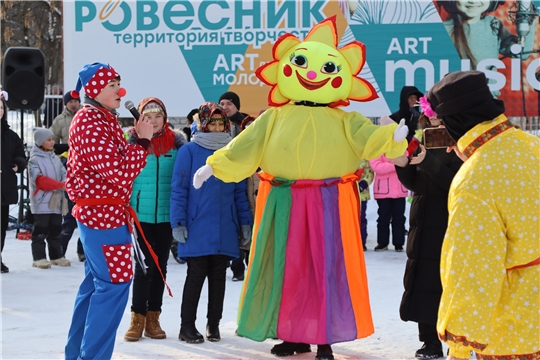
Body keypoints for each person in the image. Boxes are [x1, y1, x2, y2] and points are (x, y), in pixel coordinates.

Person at [192, 17, 409, 360]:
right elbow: (246, 145)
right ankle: (293, 334)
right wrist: (214, 165)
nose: (311, 74)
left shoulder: (345, 119)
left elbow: (370, 140)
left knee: (323, 268)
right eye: (303, 64)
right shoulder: (274, 116)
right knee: (287, 269)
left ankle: (324, 336)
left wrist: (392, 138)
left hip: (329, 201)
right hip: (281, 199)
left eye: (324, 68)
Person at [426, 70, 539, 360]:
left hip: (520, 329)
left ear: (453, 123)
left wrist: (460, 344)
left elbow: (472, 267)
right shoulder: (534, 147)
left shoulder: (475, 179)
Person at [64, 62, 154, 360]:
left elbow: (112, 164)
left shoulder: (102, 118)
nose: (120, 91)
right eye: (112, 86)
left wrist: (132, 138)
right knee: (114, 286)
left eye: (118, 84)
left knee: (95, 287)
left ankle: (77, 353)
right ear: (94, 90)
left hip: (106, 217)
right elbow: (118, 173)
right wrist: (141, 141)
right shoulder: (90, 121)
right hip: (103, 219)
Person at [171, 101, 252, 344]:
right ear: (203, 124)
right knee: (196, 274)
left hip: (225, 224)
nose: (217, 128)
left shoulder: (232, 151)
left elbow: (239, 191)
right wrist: (178, 222)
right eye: (212, 123)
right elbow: (179, 189)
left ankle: (213, 324)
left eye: (221, 123)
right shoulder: (189, 151)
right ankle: (187, 326)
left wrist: (244, 222)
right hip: (196, 224)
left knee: (218, 275)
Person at [392, 102, 463, 359]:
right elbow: (415, 183)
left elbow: (454, 183)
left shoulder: (463, 146)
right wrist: (403, 164)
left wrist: (429, 160)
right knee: (423, 281)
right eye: (432, 123)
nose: (436, 127)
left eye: (440, 122)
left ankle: (460, 342)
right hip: (422, 219)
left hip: (449, 219)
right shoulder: (422, 142)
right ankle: (430, 342)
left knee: (450, 284)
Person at [123, 97, 187, 342]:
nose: (153, 121)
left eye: (157, 117)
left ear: (165, 118)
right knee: (143, 267)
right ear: (140, 120)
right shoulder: (132, 142)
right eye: (147, 117)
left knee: (160, 267)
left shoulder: (177, 144)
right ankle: (137, 317)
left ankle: (153, 317)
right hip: (140, 216)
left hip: (166, 216)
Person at [438, 0, 535, 97]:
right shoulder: (442, 30)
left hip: (489, 104)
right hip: (457, 104)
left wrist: (527, 18)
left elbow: (523, 52)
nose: (473, 1)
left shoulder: (494, 25)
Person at [218, 91, 253, 281]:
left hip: (247, 179)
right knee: (232, 221)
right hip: (226, 178)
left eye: (229, 103)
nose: (224, 106)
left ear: (236, 106)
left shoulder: (247, 124)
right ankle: (236, 266)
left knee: (247, 216)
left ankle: (250, 261)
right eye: (222, 103)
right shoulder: (214, 125)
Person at [50, 90, 85, 261]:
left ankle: (83, 251)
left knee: (85, 212)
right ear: (65, 103)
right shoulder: (59, 120)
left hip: (84, 168)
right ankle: (60, 250)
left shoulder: (87, 117)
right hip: (66, 167)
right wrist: (64, 148)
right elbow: (50, 142)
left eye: (76, 101)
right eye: (70, 101)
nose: (73, 104)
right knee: (69, 213)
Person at [28, 128, 70, 269]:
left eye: (53, 139)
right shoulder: (34, 160)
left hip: (56, 201)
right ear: (40, 142)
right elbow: (39, 180)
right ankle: (39, 257)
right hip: (41, 202)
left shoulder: (55, 159)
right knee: (41, 230)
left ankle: (56, 255)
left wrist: (65, 182)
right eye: (49, 140)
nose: (53, 142)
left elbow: (64, 173)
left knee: (56, 230)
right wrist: (60, 184)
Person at [369, 116, 408, 252]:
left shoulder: (401, 147)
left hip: (400, 191)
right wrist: (395, 165)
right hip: (383, 191)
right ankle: (382, 243)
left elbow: (405, 162)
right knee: (383, 218)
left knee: (399, 218)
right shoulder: (377, 148)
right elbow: (377, 167)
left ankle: (398, 243)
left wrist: (393, 163)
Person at [1, 91, 27, 273]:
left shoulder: (10, 135)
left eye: (1, 107)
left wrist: (17, 166)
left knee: (1, 228)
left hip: (4, 186)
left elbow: (21, 155)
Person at [357, 159, 374, 251]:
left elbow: (369, 174)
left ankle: (361, 241)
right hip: (347, 194)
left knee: (361, 218)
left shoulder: (364, 159)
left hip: (362, 195)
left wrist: (364, 183)